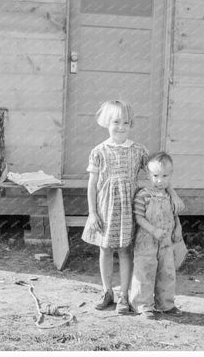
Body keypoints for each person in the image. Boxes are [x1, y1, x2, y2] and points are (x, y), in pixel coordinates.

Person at [81, 100, 149, 314]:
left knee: (125, 250)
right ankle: (107, 291)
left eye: (126, 122)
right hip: (105, 208)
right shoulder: (99, 151)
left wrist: (165, 195)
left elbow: (155, 174)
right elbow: (92, 184)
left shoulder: (138, 150)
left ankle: (124, 295)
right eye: (116, 121)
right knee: (105, 248)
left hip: (128, 208)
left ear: (131, 125)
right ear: (106, 122)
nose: (121, 127)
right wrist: (92, 212)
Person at [130, 151, 185, 319]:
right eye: (155, 176)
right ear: (148, 174)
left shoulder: (170, 196)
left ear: (171, 175)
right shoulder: (143, 194)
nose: (160, 181)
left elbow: (174, 215)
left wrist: (178, 230)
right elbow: (138, 217)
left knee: (167, 272)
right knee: (145, 271)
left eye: (165, 176)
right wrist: (153, 230)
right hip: (146, 240)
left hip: (166, 241)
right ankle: (143, 305)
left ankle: (165, 304)